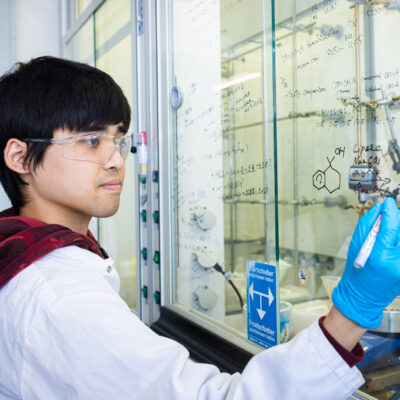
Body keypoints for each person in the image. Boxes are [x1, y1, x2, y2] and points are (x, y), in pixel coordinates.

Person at [0, 56, 399, 400]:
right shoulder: (61, 298)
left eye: (118, 139)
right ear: (20, 156)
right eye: (90, 140)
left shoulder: (25, 250)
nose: (116, 160)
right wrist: (351, 312)